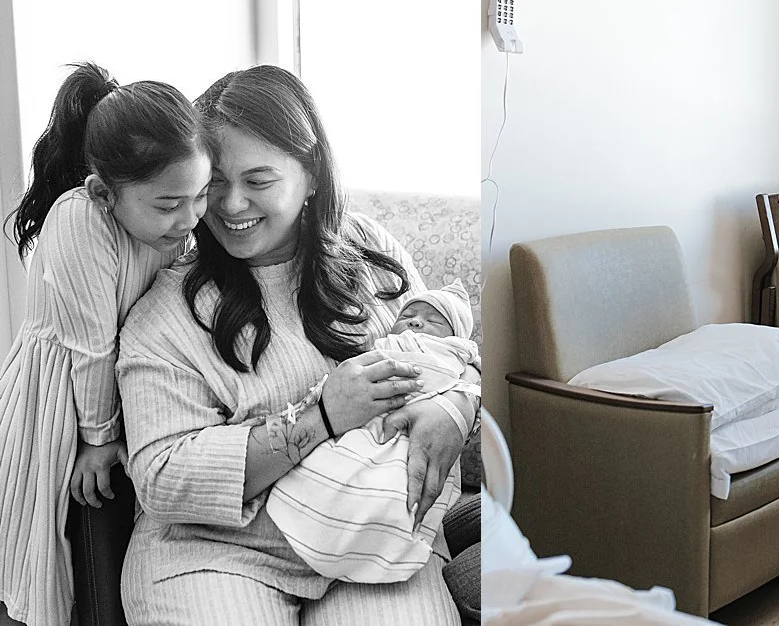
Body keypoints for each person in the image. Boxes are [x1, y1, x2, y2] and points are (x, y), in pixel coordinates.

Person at [116, 65, 476, 624]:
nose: (232, 205)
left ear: (310, 175)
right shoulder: (165, 313)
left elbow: (440, 349)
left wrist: (452, 407)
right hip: (216, 553)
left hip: (373, 543)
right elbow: (163, 477)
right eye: (215, 184)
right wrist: (320, 417)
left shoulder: (366, 248)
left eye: (258, 181)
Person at [0, 63, 210, 626]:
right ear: (104, 192)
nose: (190, 218)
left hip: (116, 399)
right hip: (62, 400)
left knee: (98, 551)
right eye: (169, 204)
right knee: (56, 543)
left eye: (200, 195)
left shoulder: (166, 227)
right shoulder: (80, 219)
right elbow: (91, 348)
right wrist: (96, 437)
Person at [267, 281, 482, 583]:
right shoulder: (384, 342)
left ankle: (375, 542)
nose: (416, 322)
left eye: (434, 320)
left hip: (411, 432)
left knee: (398, 488)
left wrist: (461, 396)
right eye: (409, 315)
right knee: (336, 471)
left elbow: (471, 369)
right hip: (364, 424)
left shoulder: (453, 353)